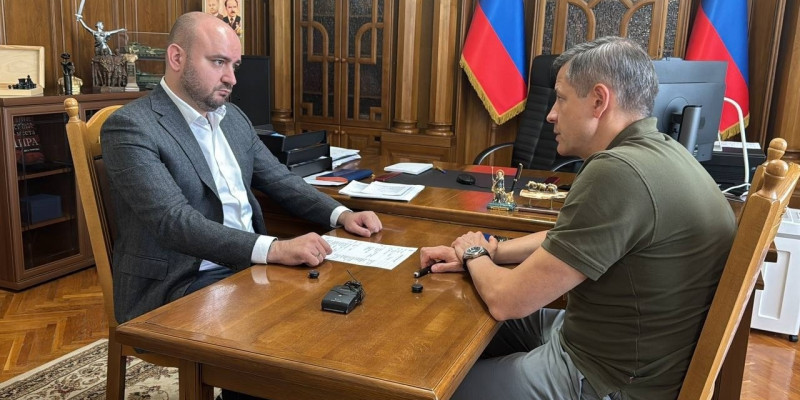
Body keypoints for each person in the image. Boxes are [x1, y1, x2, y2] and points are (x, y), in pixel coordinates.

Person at [420, 36, 736, 400]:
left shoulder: (618, 171)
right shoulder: (663, 153)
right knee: (463, 313)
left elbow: (508, 300)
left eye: (561, 98)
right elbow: (570, 238)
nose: (551, 114)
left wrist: (474, 253)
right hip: (615, 348)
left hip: (607, 380)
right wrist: (495, 251)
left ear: (599, 101)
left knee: (430, 387)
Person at [102, 12, 382, 327]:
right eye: (218, 62)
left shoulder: (232, 117)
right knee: (305, 325)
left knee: (349, 305)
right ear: (177, 58)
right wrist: (275, 249)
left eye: (234, 65)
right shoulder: (130, 127)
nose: (231, 79)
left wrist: (341, 215)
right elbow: (174, 222)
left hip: (247, 267)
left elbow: (279, 179)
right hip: (180, 284)